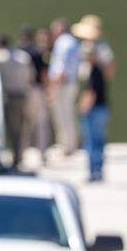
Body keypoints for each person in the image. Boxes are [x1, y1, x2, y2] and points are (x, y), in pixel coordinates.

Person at [72, 16, 111, 181]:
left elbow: (91, 90)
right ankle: (98, 171)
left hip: (94, 106)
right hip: (102, 104)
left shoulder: (93, 69)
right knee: (98, 139)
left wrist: (83, 105)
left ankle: (94, 172)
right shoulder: (100, 64)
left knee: (91, 140)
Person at [0, 34, 32, 168]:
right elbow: (30, 77)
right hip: (21, 95)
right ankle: (18, 156)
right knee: (19, 128)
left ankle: (5, 156)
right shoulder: (23, 57)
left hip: (5, 95)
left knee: (2, 126)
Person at [47, 18, 81, 155]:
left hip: (62, 84)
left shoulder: (63, 42)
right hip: (69, 83)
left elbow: (60, 68)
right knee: (68, 114)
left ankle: (67, 146)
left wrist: (52, 87)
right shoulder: (72, 42)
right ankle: (70, 144)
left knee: (62, 116)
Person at [19, 26, 50, 156]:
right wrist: (47, 88)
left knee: (24, 123)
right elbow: (43, 73)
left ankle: (21, 150)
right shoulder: (37, 52)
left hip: (23, 90)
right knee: (41, 121)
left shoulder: (19, 52)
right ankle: (42, 150)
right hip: (37, 89)